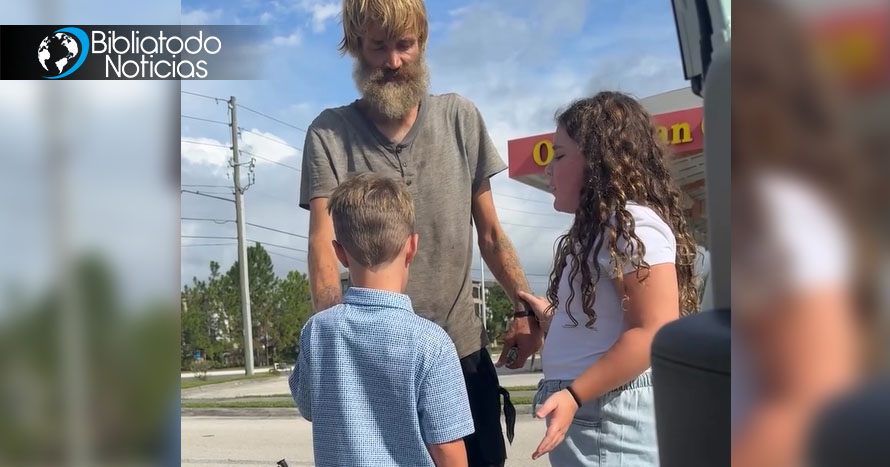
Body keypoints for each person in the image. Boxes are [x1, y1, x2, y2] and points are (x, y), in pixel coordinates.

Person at [298, 1, 540, 464]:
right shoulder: (328, 134)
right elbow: (321, 245)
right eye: (378, 46)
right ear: (354, 46)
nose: (393, 62)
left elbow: (490, 234)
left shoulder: (460, 118)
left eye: (404, 45)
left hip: (460, 351)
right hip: (373, 363)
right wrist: (337, 340)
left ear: (423, 42)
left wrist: (525, 308)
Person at [518, 92, 700, 465]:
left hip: (606, 415)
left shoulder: (629, 225)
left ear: (599, 160)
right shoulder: (599, 231)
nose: (549, 169)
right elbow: (603, 330)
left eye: (559, 155)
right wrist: (552, 319)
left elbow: (652, 330)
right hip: (594, 411)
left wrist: (574, 395)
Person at [289, 173, 475, 467]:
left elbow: (310, 407)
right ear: (412, 247)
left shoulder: (317, 332)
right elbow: (448, 448)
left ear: (340, 254)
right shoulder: (432, 344)